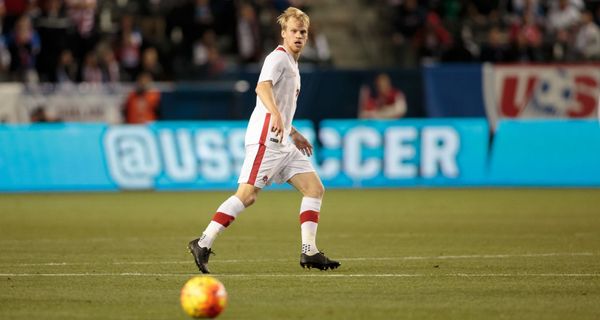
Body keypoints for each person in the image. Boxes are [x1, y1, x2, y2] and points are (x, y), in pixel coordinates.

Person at [188, 7, 340, 274]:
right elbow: (262, 87)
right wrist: (276, 115)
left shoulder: (293, 64)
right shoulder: (278, 58)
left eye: (302, 32)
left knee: (314, 189)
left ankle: (310, 252)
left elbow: (281, 103)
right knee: (247, 196)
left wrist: (292, 131)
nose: (298, 36)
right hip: (266, 140)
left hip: (282, 141)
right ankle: (203, 242)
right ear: (283, 33)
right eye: (293, 31)